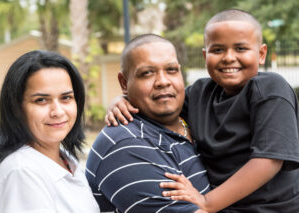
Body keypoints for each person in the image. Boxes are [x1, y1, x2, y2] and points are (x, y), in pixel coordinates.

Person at [105, 9, 299, 213]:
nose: (229, 57)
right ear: (205, 55)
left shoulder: (270, 90)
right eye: (217, 50)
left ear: (261, 54)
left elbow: (268, 160)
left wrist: (208, 202)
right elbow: (161, 105)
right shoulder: (199, 94)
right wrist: (121, 100)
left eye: (240, 48)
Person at [85, 34, 210, 213]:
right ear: (124, 83)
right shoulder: (126, 144)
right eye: (147, 73)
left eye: (171, 69)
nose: (163, 81)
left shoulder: (195, 116)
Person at [0, 50, 100, 213]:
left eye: (66, 97)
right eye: (41, 100)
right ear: (16, 107)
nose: (58, 111)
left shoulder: (64, 159)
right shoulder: (22, 172)